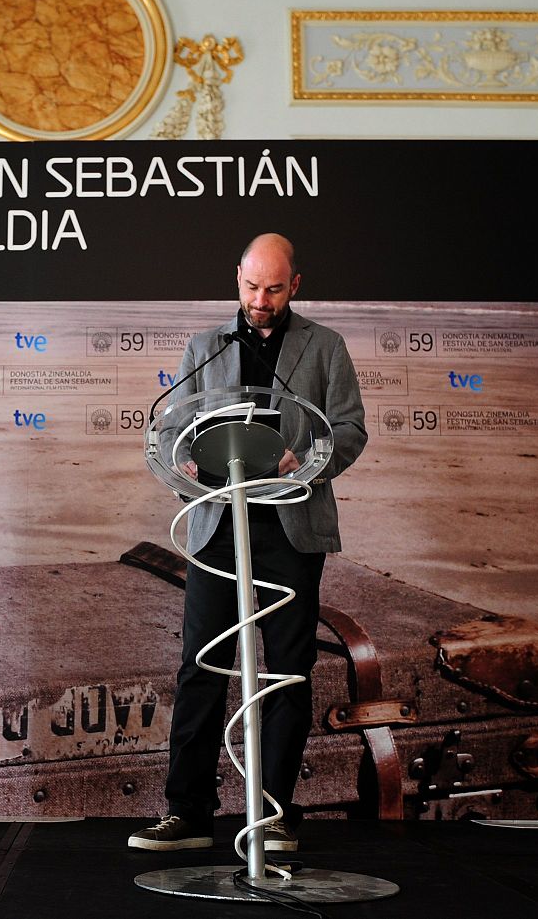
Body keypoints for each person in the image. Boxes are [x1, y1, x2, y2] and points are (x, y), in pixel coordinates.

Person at [128, 233, 367, 853]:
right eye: (252, 287)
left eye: (275, 289)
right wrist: (188, 469)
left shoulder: (326, 347)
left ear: (296, 286)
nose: (261, 301)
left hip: (291, 524)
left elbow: (348, 429)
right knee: (200, 668)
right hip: (218, 523)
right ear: (237, 279)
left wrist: (305, 460)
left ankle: (275, 815)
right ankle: (187, 815)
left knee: (287, 672)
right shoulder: (206, 347)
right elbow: (177, 425)